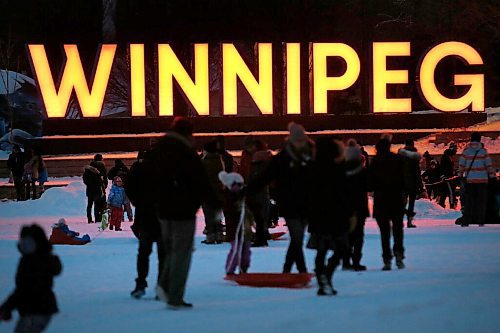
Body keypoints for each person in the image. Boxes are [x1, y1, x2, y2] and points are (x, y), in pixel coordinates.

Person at [144, 117, 220, 309]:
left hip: (162, 210)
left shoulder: (158, 151)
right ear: (188, 133)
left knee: (170, 250)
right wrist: (217, 204)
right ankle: (174, 296)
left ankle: (163, 285)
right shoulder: (187, 153)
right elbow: (201, 181)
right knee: (182, 253)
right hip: (183, 210)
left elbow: (147, 179)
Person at [248, 122, 313, 274]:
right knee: (297, 237)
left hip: (306, 203)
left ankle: (287, 268)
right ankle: (301, 269)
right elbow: (265, 177)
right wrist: (248, 190)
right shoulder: (282, 158)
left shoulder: (311, 156)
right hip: (289, 203)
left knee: (297, 238)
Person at [307, 137, 353, 296]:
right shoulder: (338, 168)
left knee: (322, 250)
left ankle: (322, 280)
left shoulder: (312, 168)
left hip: (318, 215)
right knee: (341, 249)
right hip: (336, 215)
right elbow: (344, 193)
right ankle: (326, 276)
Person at [0, 224, 62, 333]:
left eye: (28, 242)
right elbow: (22, 289)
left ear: (37, 243)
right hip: (34, 310)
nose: (24, 245)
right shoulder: (28, 260)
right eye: (23, 241)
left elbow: (25, 290)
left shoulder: (36, 262)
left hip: (37, 310)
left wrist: (7, 307)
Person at [125, 151, 165, 299]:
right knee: (163, 254)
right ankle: (161, 285)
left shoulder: (138, 168)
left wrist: (138, 203)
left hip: (145, 215)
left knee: (143, 252)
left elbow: (129, 186)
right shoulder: (163, 168)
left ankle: (141, 283)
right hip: (161, 216)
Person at [368, 136, 406, 270]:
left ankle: (387, 259)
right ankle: (399, 254)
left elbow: (370, 184)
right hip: (396, 199)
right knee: (397, 229)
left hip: (381, 200)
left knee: (384, 232)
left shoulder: (376, 162)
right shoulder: (398, 160)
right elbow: (404, 180)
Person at [458, 132, 496, 227]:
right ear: (479, 140)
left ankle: (467, 220)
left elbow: (461, 165)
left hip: (470, 181)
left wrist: (460, 175)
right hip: (482, 181)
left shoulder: (466, 152)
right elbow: (489, 166)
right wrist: (492, 177)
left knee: (469, 201)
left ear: (471, 139)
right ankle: (480, 220)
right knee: (481, 202)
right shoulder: (483, 152)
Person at [343, 139, 369, 271]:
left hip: (345, 207)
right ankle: (356, 261)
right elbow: (370, 186)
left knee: (347, 234)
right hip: (359, 207)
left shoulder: (341, 170)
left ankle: (346, 260)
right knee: (358, 236)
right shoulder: (363, 172)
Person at [219, 171, 252, 275]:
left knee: (246, 252)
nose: (239, 187)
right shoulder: (227, 198)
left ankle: (244, 268)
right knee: (236, 250)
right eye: (236, 185)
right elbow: (229, 213)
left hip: (245, 229)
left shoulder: (245, 196)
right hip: (234, 230)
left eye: (240, 184)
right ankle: (230, 270)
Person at [248, 141, 272, 247]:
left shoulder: (258, 162)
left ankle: (260, 238)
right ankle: (263, 235)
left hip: (258, 192)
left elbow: (254, 177)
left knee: (259, 215)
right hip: (263, 191)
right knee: (262, 214)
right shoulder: (267, 160)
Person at [200, 140, 225, 244]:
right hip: (219, 191)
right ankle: (219, 235)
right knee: (217, 215)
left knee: (209, 215)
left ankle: (210, 236)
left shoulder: (204, 162)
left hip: (207, 192)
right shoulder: (219, 160)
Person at [398, 139, 423, 228]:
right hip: (412, 183)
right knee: (411, 203)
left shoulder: (400, 156)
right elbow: (417, 172)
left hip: (402, 183)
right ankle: (409, 221)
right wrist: (420, 185)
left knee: (402, 202)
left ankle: (400, 221)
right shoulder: (415, 157)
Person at [83, 158, 107, 224]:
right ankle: (98, 218)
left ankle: (89, 219)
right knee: (97, 205)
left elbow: (85, 181)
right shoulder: (97, 173)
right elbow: (100, 182)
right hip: (97, 191)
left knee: (89, 205)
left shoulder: (87, 172)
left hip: (89, 190)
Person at [438, 142, 458, 208]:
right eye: (455, 149)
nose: (456, 151)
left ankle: (441, 205)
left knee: (444, 192)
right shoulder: (445, 157)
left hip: (449, 177)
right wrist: (443, 176)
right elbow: (442, 167)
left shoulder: (449, 157)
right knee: (450, 192)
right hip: (447, 178)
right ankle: (452, 205)